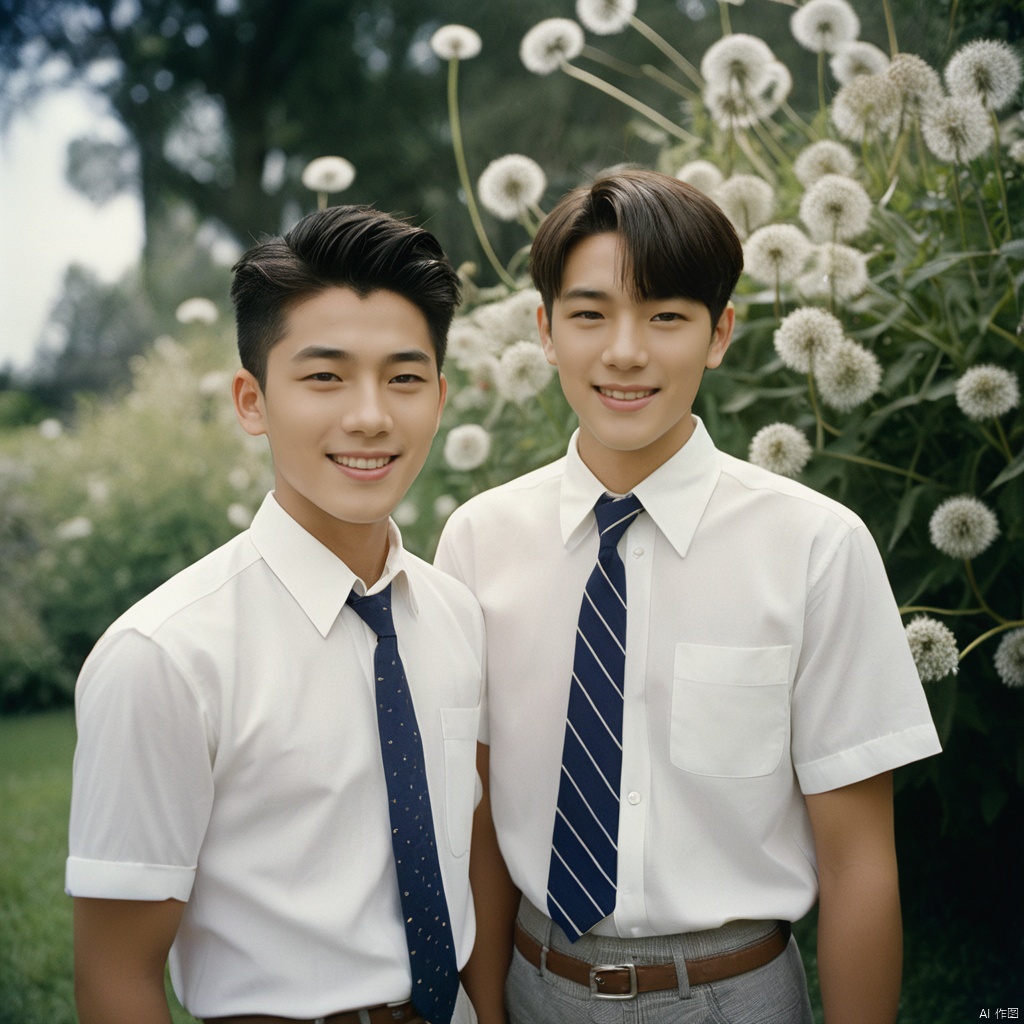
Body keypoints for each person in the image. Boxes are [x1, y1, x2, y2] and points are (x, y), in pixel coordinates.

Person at [436, 169, 941, 1024]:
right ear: (546, 331)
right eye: (590, 314)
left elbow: (859, 863)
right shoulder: (478, 542)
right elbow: (477, 827)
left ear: (720, 333)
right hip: (532, 984)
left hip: (732, 994)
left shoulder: (816, 548)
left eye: (666, 316)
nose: (625, 351)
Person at [66, 205, 486, 1024]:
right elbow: (115, 975)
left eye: (403, 378)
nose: (369, 415)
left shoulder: (455, 615)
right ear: (252, 401)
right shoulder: (164, 656)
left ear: (439, 398)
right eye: (324, 376)